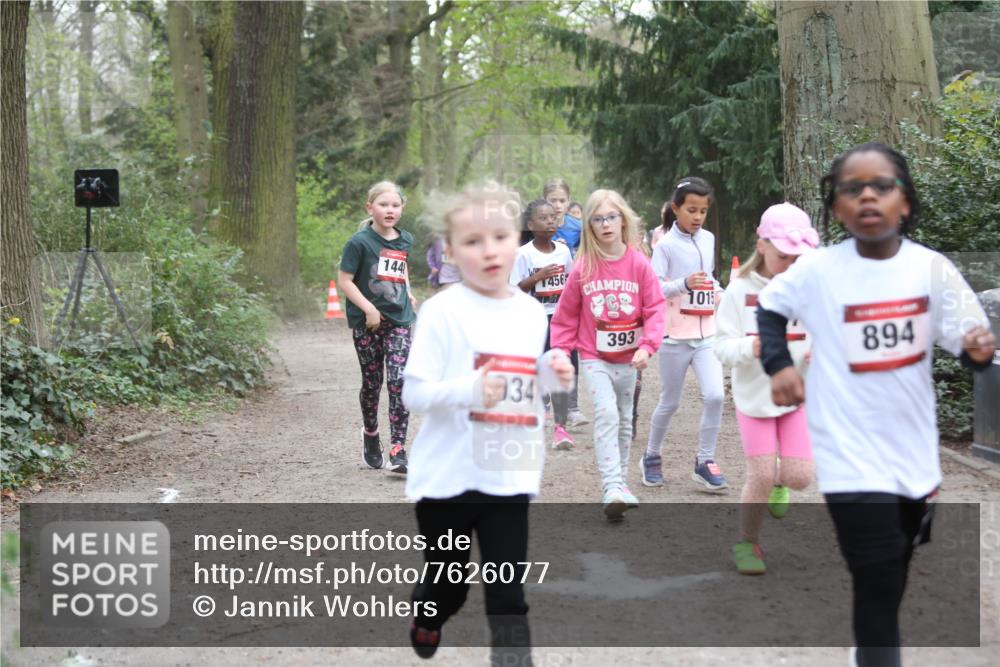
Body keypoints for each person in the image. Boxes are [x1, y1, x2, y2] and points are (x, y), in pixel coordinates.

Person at [756, 143, 995, 667]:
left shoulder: (931, 270)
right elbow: (771, 310)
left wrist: (979, 350)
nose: (867, 195)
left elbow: (971, 347)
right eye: (851, 188)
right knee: (878, 574)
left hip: (911, 456)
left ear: (904, 201)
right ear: (837, 208)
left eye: (881, 186)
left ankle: (868, 648)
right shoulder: (819, 270)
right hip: (846, 453)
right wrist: (780, 366)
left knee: (895, 566)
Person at [402, 182, 574, 663]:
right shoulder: (441, 312)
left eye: (499, 237)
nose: (489, 250)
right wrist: (470, 390)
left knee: (507, 596)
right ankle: (428, 614)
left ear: (513, 240)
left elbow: (525, 380)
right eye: (473, 242)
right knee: (449, 586)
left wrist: (551, 373)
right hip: (449, 480)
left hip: (507, 474)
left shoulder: (527, 312)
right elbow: (414, 393)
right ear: (452, 252)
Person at [714, 202, 818, 574]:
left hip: (796, 397)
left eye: (798, 259)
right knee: (757, 473)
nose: (791, 266)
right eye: (783, 257)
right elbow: (721, 347)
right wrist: (751, 347)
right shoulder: (738, 290)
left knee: (800, 477)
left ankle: (781, 481)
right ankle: (748, 543)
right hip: (754, 399)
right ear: (762, 246)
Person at [550, 189, 666, 520]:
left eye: (611, 217)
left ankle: (622, 482)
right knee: (606, 414)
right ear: (589, 226)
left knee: (625, 420)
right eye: (598, 219)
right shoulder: (584, 266)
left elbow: (656, 309)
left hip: (630, 358)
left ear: (623, 220)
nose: (605, 224)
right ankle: (611, 485)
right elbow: (566, 314)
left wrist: (648, 345)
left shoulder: (639, 264)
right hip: (594, 356)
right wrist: (560, 351)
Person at [642, 177, 728, 491]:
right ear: (676, 209)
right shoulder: (664, 246)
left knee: (716, 395)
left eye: (703, 211)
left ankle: (705, 461)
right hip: (674, 336)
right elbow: (654, 289)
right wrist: (684, 285)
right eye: (692, 209)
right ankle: (651, 455)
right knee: (670, 401)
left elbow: (710, 280)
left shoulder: (708, 239)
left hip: (706, 334)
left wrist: (724, 295)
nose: (698, 217)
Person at [338, 181, 417, 474]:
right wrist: (369, 309)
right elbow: (345, 280)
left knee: (399, 380)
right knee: (373, 384)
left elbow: (400, 264)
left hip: (399, 319)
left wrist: (406, 289)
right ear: (370, 208)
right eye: (384, 205)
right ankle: (371, 434)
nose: (390, 210)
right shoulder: (359, 243)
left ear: (402, 209)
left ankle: (398, 448)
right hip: (367, 323)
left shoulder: (405, 239)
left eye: (395, 205)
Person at [510, 199, 576, 450]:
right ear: (530, 224)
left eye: (553, 217)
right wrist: (536, 277)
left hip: (559, 319)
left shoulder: (563, 251)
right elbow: (514, 288)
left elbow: (570, 283)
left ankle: (561, 429)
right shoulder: (523, 253)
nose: (550, 221)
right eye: (543, 218)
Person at [544, 178, 588, 427]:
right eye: (553, 200)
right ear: (545, 201)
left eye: (562, 200)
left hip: (569, 296)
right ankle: (544, 404)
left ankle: (572, 407)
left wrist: (570, 254)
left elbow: (586, 254)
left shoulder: (577, 227)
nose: (558, 205)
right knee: (545, 349)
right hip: (543, 300)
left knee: (570, 351)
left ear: (569, 201)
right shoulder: (537, 226)